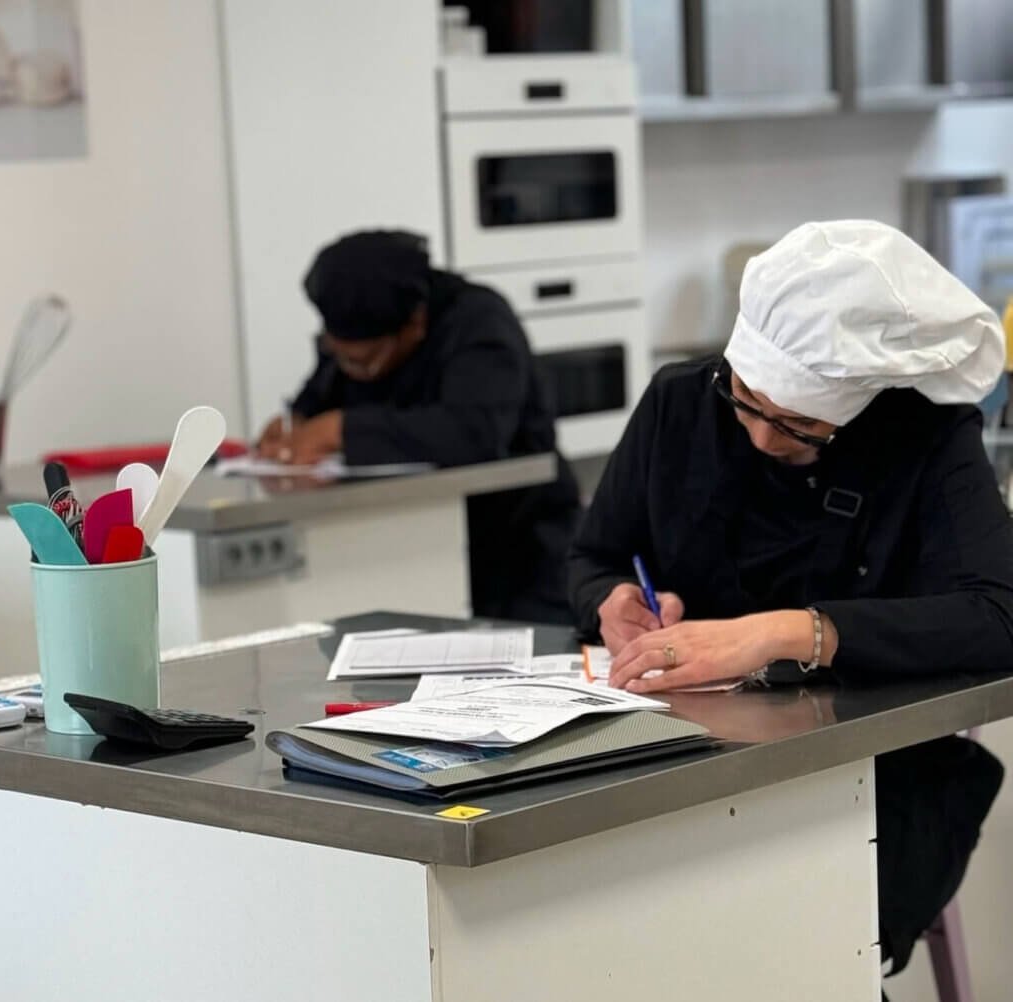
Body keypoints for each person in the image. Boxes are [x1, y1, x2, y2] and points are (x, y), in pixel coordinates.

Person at [568, 219, 1011, 978]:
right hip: (672, 755)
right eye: (744, 399)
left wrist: (794, 633)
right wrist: (610, 600)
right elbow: (594, 554)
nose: (763, 438)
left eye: (802, 425)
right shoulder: (680, 403)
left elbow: (1000, 613)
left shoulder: (926, 439)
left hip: (871, 772)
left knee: (770, 954)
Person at [258, 229, 581, 624]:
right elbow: (322, 395)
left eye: (364, 363)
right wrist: (296, 423)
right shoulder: (358, 331)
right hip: (416, 544)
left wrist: (339, 430)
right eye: (338, 355)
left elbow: (474, 432)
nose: (353, 372)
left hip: (521, 549)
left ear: (416, 324)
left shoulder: (480, 321)